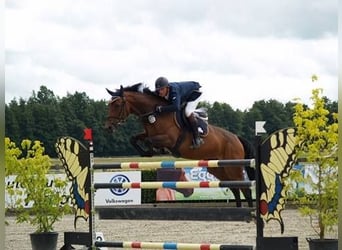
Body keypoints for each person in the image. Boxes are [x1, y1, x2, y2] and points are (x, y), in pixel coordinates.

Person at [154, 76, 204, 149]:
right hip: (185, 94)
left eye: (162, 89)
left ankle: (197, 138)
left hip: (195, 93)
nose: (160, 92)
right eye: (158, 90)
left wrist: (161, 109)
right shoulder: (162, 91)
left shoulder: (174, 91)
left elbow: (176, 107)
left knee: (187, 112)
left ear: (167, 88)